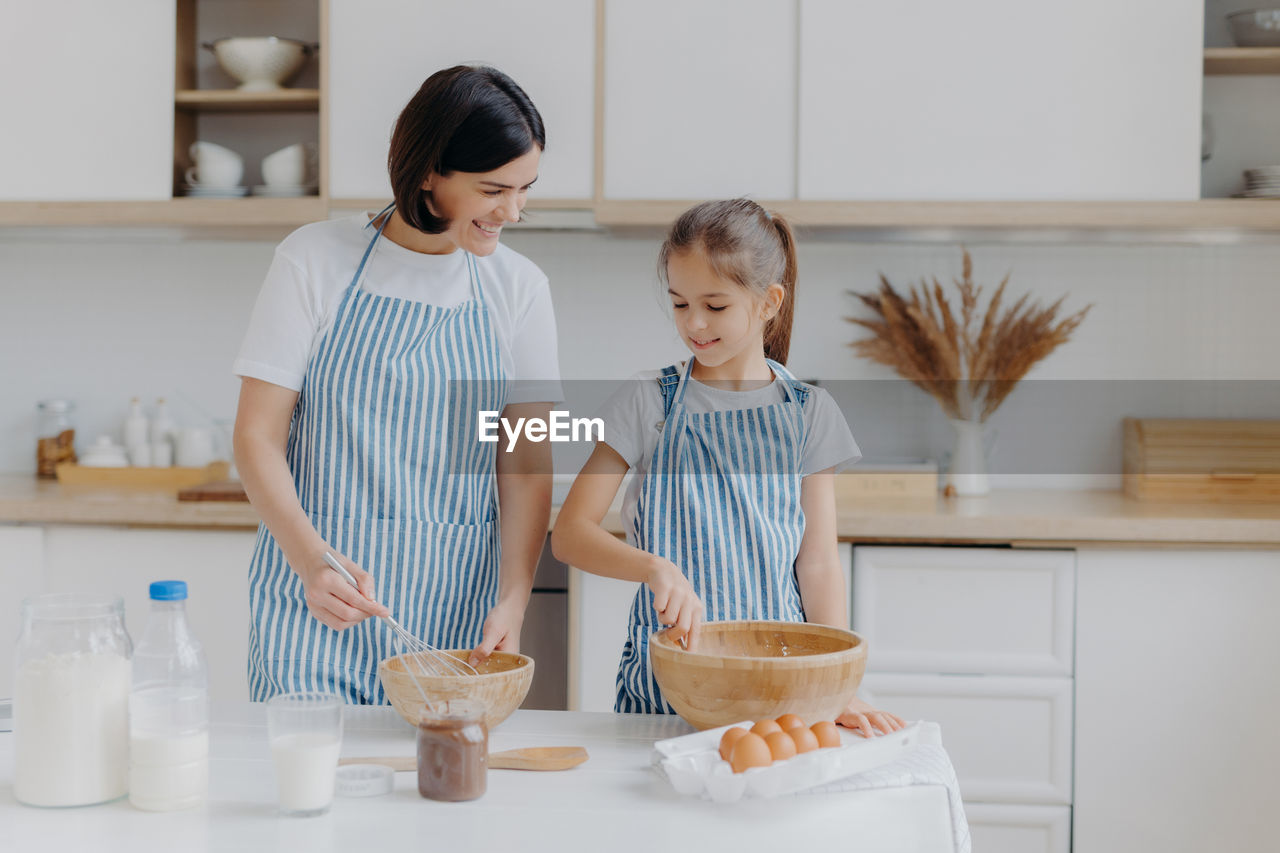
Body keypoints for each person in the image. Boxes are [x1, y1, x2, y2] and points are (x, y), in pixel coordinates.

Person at [233, 65, 561, 704]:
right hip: (314, 611)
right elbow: (256, 437)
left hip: (452, 622)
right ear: (428, 171)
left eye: (525, 189)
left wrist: (514, 599)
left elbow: (525, 464)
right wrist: (309, 561)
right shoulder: (314, 259)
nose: (513, 211)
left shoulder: (519, 290)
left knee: (434, 797)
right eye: (495, 189)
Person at [551, 199, 902, 736]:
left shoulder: (809, 413)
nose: (693, 323)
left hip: (779, 685)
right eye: (679, 303)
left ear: (769, 303)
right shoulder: (649, 400)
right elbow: (571, 535)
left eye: (715, 306)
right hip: (667, 686)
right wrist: (654, 568)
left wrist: (837, 685)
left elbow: (818, 566)